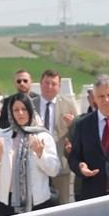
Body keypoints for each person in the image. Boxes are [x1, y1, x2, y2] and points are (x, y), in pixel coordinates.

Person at [0, 94, 60, 216]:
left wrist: (41, 155)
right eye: (16, 110)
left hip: (37, 201)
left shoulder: (43, 136)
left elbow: (54, 171)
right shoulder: (0, 136)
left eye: (24, 109)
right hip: (7, 202)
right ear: (10, 112)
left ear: (30, 110)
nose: (20, 113)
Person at [33, 70, 78, 205]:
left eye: (54, 84)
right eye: (46, 83)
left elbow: (78, 133)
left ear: (59, 86)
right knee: (36, 205)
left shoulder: (68, 105)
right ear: (40, 84)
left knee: (62, 206)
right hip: (35, 165)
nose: (49, 87)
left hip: (60, 165)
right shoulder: (30, 105)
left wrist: (72, 124)